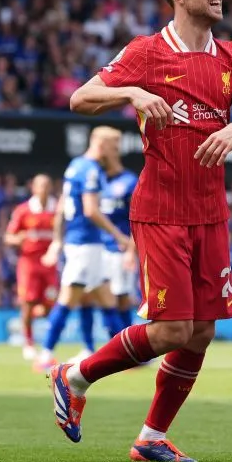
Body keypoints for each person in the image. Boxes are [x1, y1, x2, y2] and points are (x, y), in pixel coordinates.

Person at [53, 0, 232, 462]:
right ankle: (74, 375)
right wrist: (131, 92)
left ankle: (151, 437)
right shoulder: (148, 51)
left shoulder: (230, 54)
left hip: (211, 211)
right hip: (161, 208)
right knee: (173, 329)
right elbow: (80, 98)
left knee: (202, 333)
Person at [35, 127, 126, 372]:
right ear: (102, 144)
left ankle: (119, 354)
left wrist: (57, 240)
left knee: (102, 296)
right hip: (85, 244)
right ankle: (45, 354)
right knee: (69, 299)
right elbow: (90, 210)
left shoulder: (75, 165)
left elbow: (62, 207)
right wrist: (119, 236)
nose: (115, 152)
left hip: (82, 244)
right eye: (114, 147)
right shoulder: (91, 170)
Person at [3, 174, 57, 361]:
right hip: (29, 264)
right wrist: (18, 238)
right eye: (40, 185)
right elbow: (8, 237)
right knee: (27, 303)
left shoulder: (57, 209)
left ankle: (30, 318)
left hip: (50, 264)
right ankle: (28, 343)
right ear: (33, 188)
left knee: (51, 305)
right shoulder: (23, 210)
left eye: (47, 185)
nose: (44, 188)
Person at [99, 140, 139, 334]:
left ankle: (127, 347)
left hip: (119, 250)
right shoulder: (97, 180)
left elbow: (137, 218)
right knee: (102, 298)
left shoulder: (129, 181)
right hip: (97, 249)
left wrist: (132, 250)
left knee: (121, 298)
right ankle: (112, 347)